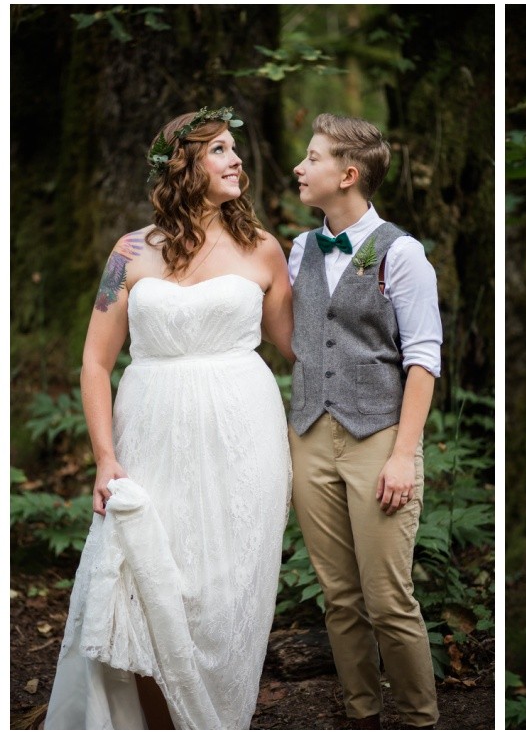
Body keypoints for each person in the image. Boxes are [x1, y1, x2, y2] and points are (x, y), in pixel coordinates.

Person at [44, 107, 293, 730]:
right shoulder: (129, 252)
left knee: (225, 589)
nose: (237, 161)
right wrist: (106, 457)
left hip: (244, 435)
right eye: (220, 150)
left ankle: (219, 720)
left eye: (235, 150)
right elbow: (95, 365)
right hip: (150, 430)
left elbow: (300, 350)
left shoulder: (265, 250)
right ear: (185, 165)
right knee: (147, 579)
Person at [286, 114, 442, 729]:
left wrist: (404, 455)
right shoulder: (298, 249)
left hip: (379, 436)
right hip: (310, 438)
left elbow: (423, 360)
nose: (300, 167)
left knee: (387, 598)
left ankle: (418, 716)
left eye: (312, 157)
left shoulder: (401, 254)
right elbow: (295, 338)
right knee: (340, 597)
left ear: (347, 175)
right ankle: (359, 713)